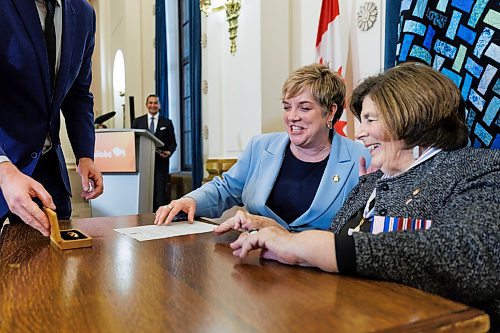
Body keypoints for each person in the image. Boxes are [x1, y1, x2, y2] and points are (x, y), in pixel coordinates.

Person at [227, 63, 500, 329]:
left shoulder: (478, 167)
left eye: (370, 120)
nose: (359, 133)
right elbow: (337, 244)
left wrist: (317, 248)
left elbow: (470, 255)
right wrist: (283, 237)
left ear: (412, 118)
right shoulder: (371, 182)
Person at [155, 63, 370, 231]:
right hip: (257, 264)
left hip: (320, 273)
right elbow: (226, 188)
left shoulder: (358, 158)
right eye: (287, 107)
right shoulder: (261, 147)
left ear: (331, 112)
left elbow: (362, 226)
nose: (292, 117)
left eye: (304, 108)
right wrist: (189, 200)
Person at [0, 0, 103, 236]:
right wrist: (4, 169)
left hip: (47, 175)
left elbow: (79, 94)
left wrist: (85, 155)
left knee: (51, 269)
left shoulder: (84, 14)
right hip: (3, 160)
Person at [132, 94, 177, 211]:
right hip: (143, 164)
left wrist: (169, 152)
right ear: (146, 105)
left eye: (155, 103)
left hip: (161, 164)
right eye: (150, 103)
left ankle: (160, 218)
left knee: (160, 192)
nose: (153, 105)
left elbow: (173, 143)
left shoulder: (167, 122)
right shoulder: (137, 122)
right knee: (145, 192)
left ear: (159, 105)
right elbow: (133, 141)